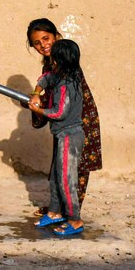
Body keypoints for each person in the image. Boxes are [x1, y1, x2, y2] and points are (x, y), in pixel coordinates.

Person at [25, 18, 102, 216]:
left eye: (46, 38)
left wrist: (39, 105)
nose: (43, 45)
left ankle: (71, 214)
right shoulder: (49, 67)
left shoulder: (66, 61)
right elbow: (47, 87)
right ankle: (57, 208)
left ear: (56, 36)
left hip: (79, 120)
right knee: (61, 165)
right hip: (64, 122)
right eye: (37, 42)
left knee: (76, 168)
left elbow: (58, 97)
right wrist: (36, 96)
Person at [29, 40, 86, 236]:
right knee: (55, 176)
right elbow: (45, 78)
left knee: (66, 179)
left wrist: (39, 109)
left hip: (70, 135)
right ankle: (54, 212)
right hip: (62, 135)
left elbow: (59, 112)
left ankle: (75, 219)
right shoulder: (63, 75)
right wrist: (37, 92)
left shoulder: (66, 85)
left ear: (57, 59)